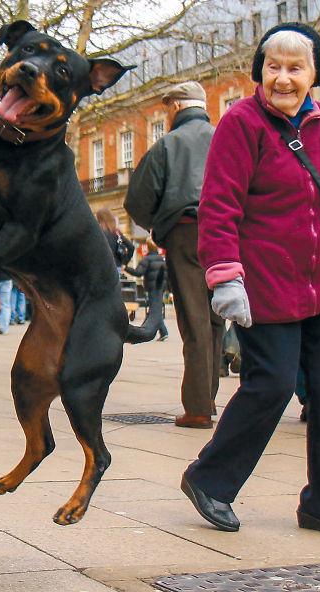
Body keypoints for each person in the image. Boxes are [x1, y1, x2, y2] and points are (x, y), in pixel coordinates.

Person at [181, 23, 320, 540]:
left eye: (296, 68)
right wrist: (225, 278)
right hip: (265, 285)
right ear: (259, 71)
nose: (284, 78)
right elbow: (219, 206)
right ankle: (210, 480)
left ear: (315, 75)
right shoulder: (240, 123)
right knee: (269, 385)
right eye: (274, 66)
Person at [125, 80, 224, 429]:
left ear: (178, 108)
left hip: (185, 231)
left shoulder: (167, 145)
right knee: (216, 316)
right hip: (227, 231)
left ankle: (198, 406)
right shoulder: (225, 137)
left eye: (168, 108)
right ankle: (208, 394)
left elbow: (136, 199)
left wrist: (158, 225)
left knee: (194, 317)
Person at [124, 241, 169, 341]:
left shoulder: (147, 259)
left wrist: (126, 268)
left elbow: (138, 272)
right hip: (160, 287)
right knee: (155, 308)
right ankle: (163, 331)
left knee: (154, 309)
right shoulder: (161, 259)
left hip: (152, 287)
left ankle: (156, 331)